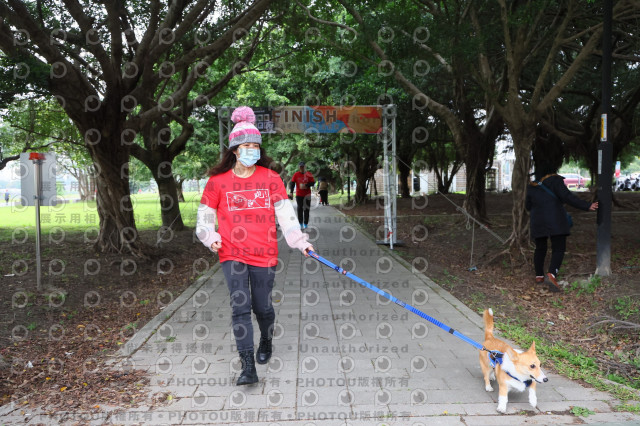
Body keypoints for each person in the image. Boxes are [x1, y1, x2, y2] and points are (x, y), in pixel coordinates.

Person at [196, 106, 314, 386]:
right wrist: (210, 237)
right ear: (235, 150)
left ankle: (267, 340)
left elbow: (286, 216)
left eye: (255, 146)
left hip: (264, 253)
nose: (252, 150)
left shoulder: (270, 179)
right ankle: (247, 365)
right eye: (246, 146)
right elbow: (204, 219)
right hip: (232, 254)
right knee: (240, 307)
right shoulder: (217, 182)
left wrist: (301, 242)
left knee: (262, 307)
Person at [525, 162, 598, 292]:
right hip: (555, 220)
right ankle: (552, 274)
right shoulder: (556, 181)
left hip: (538, 221)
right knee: (558, 248)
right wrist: (587, 205)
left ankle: (539, 276)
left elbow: (528, 206)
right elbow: (567, 197)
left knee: (540, 248)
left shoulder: (532, 186)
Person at [290, 162, 315, 229]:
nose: (302, 168)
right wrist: (291, 192)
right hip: (299, 194)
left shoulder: (309, 174)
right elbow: (292, 183)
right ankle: (300, 223)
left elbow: (313, 183)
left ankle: (305, 223)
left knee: (306, 209)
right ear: (299, 167)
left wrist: (307, 185)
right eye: (300, 167)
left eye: (303, 166)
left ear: (305, 167)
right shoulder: (296, 174)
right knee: (300, 209)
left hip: (307, 194)